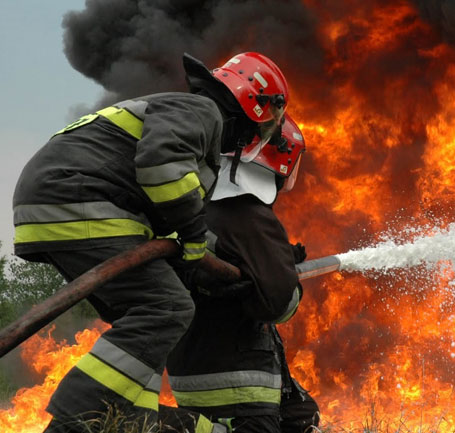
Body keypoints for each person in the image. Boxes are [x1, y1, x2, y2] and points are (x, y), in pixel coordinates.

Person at [12, 51, 289, 433]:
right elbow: (162, 167)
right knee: (168, 308)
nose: (260, 136)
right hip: (80, 199)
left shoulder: (184, 113)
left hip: (56, 203)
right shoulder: (202, 111)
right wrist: (194, 240)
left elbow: (162, 203)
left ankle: (122, 418)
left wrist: (206, 260)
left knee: (141, 316)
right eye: (269, 123)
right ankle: (75, 420)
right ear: (255, 105)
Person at [161, 114, 320, 433]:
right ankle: (152, 423)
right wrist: (288, 278)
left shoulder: (200, 205)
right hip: (236, 376)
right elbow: (279, 304)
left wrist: (278, 260)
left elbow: (228, 262)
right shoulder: (249, 214)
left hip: (191, 365)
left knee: (301, 415)